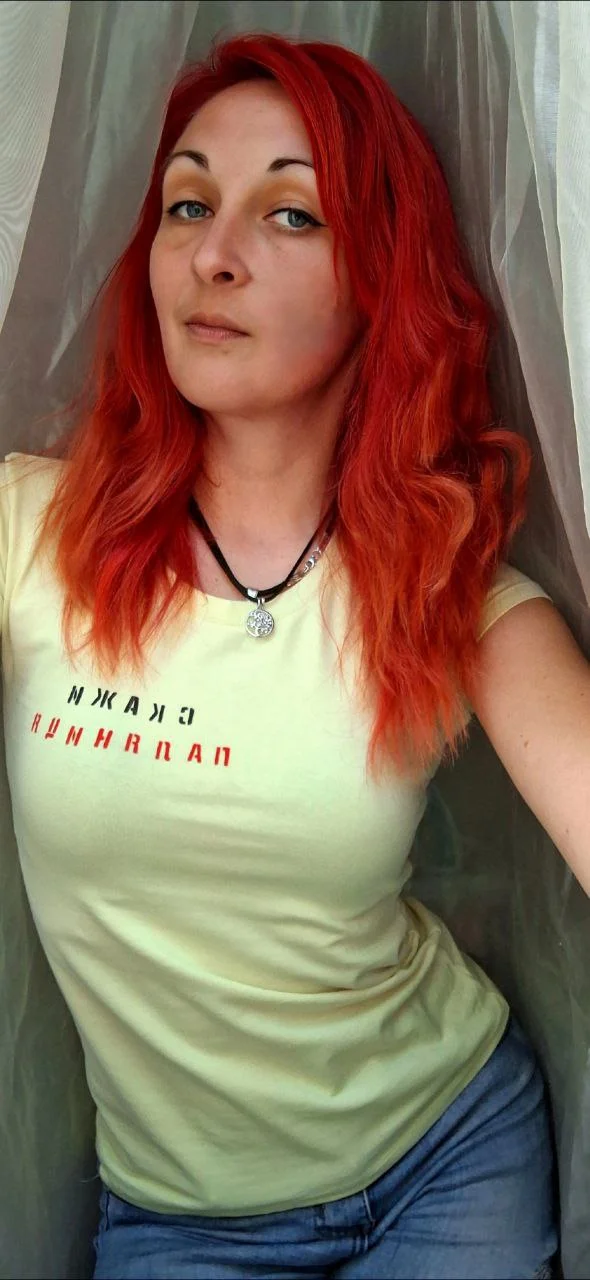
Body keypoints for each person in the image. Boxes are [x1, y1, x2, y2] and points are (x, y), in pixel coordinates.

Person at [7, 26, 590, 1279]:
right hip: (174, 1216)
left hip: (445, 1155)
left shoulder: (446, 588)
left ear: (381, 280)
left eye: (289, 216)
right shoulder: (26, 532)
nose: (212, 254)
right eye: (187, 203)